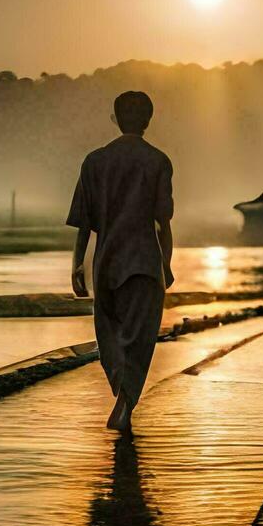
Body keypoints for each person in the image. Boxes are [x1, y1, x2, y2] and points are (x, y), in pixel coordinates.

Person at [68, 90, 175, 431]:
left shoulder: (94, 162)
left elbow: (85, 223)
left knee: (109, 335)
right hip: (145, 262)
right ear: (148, 121)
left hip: (107, 262)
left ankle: (122, 398)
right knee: (140, 340)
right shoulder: (158, 161)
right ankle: (126, 402)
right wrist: (167, 264)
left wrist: (77, 265)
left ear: (115, 119)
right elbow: (163, 223)